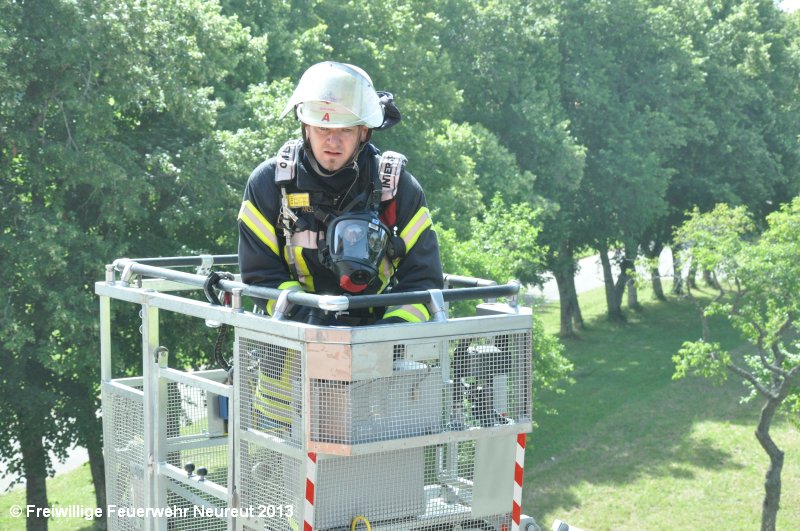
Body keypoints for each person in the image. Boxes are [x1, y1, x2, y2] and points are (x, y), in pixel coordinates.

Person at [237, 61, 443, 325]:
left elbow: (423, 281)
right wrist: (313, 327)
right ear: (306, 126)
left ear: (364, 132)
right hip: (294, 334)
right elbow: (261, 275)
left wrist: (386, 335)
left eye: (345, 129)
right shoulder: (270, 184)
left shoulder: (396, 188)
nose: (333, 142)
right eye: (323, 128)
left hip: (378, 334)